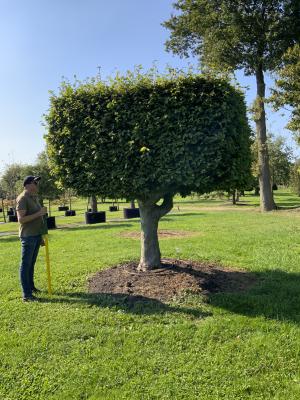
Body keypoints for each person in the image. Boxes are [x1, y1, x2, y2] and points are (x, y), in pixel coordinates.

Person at [16, 176, 47, 302]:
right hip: (28, 236)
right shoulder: (22, 198)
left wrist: (41, 236)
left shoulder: (34, 197)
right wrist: (39, 213)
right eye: (35, 182)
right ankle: (27, 295)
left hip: (36, 235)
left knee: (31, 264)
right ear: (28, 185)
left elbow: (39, 219)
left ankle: (31, 287)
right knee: (25, 264)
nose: (37, 184)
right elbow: (21, 219)